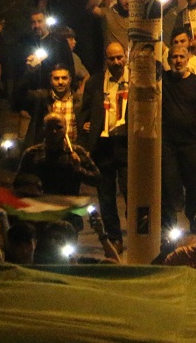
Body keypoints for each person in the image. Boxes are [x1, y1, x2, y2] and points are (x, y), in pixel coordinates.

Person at [80, 42, 129, 247]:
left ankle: (137, 232)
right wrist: (86, 128)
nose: (116, 62)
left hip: (126, 143)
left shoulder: (135, 80)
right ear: (106, 60)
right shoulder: (95, 82)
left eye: (119, 57)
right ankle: (114, 237)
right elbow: (85, 111)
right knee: (106, 195)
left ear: (125, 57)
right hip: (104, 144)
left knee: (130, 190)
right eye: (112, 58)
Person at [161, 44, 196, 229]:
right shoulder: (163, 80)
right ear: (168, 61)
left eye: (181, 57)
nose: (178, 61)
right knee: (168, 182)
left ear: (187, 59)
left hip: (192, 142)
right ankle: (170, 223)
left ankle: (193, 218)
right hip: (168, 143)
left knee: (193, 184)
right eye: (174, 57)